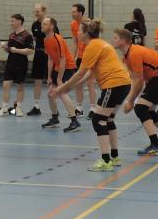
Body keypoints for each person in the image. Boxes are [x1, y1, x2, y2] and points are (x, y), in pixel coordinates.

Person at [54, 19, 132, 170]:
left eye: (79, 30)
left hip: (113, 84)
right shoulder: (99, 44)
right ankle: (115, 157)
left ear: (86, 33)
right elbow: (90, 71)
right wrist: (71, 87)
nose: (77, 32)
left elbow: (80, 73)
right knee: (108, 119)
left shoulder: (92, 46)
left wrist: (61, 88)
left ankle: (106, 161)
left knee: (98, 120)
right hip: (123, 84)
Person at [113, 29, 158, 156]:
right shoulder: (126, 56)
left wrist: (130, 101)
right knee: (147, 109)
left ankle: (156, 145)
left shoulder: (134, 53)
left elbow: (139, 80)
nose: (112, 40)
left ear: (123, 40)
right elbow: (134, 79)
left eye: (115, 38)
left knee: (140, 108)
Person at [0, 13, 35, 116]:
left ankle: (18, 108)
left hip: (21, 63)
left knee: (20, 86)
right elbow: (10, 50)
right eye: (11, 21)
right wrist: (5, 48)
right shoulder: (12, 35)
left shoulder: (27, 35)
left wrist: (16, 50)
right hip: (10, 62)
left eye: (12, 21)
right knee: (5, 85)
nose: (11, 23)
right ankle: (5, 109)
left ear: (19, 21)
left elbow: (30, 51)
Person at [39, 16, 74, 130]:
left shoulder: (57, 39)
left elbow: (63, 60)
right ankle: (55, 118)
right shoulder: (46, 40)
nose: (42, 25)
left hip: (67, 67)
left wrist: (59, 79)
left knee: (61, 93)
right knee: (50, 93)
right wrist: (49, 76)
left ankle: (74, 121)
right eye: (42, 23)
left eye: (45, 24)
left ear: (52, 26)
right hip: (58, 68)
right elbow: (50, 58)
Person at [27, 2, 48, 117]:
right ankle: (36, 106)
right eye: (34, 11)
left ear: (44, 11)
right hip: (38, 54)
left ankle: (53, 107)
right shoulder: (34, 25)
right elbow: (36, 39)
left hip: (49, 55)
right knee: (37, 80)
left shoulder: (51, 23)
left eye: (38, 11)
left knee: (51, 81)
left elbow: (56, 39)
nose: (36, 13)